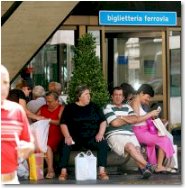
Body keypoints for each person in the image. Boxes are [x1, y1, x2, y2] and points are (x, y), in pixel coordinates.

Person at [58, 85, 109, 181]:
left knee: (103, 143)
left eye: (89, 94)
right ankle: (63, 172)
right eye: (86, 94)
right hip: (75, 138)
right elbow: (63, 123)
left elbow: (103, 121)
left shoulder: (95, 106)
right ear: (79, 96)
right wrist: (67, 136)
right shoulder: (70, 108)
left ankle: (102, 171)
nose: (89, 96)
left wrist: (100, 133)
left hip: (92, 137)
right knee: (64, 144)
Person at [103, 86, 153, 179]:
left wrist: (121, 117)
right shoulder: (107, 107)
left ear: (123, 97)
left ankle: (144, 170)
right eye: (115, 95)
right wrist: (127, 119)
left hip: (129, 133)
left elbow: (135, 119)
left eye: (120, 95)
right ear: (112, 97)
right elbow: (114, 123)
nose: (118, 97)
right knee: (130, 146)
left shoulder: (127, 107)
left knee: (137, 149)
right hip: (115, 134)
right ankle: (148, 165)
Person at [1, 65, 35, 184]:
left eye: (5, 82)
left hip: (11, 178)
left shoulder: (17, 110)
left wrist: (25, 149)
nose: (3, 87)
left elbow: (28, 142)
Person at [130, 84, 175, 173]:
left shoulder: (137, 102)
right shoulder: (135, 102)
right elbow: (136, 120)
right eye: (148, 97)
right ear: (142, 93)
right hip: (139, 132)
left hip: (142, 131)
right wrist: (150, 114)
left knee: (160, 138)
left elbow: (141, 118)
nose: (148, 99)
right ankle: (159, 166)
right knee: (164, 139)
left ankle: (155, 165)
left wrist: (157, 119)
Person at [37, 91, 65, 179]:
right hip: (44, 132)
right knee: (38, 143)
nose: (47, 103)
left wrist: (48, 120)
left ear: (57, 101)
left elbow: (61, 122)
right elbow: (34, 117)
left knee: (46, 145)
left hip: (56, 133)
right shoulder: (43, 107)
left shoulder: (61, 108)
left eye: (50, 101)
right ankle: (38, 169)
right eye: (46, 101)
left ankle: (50, 170)